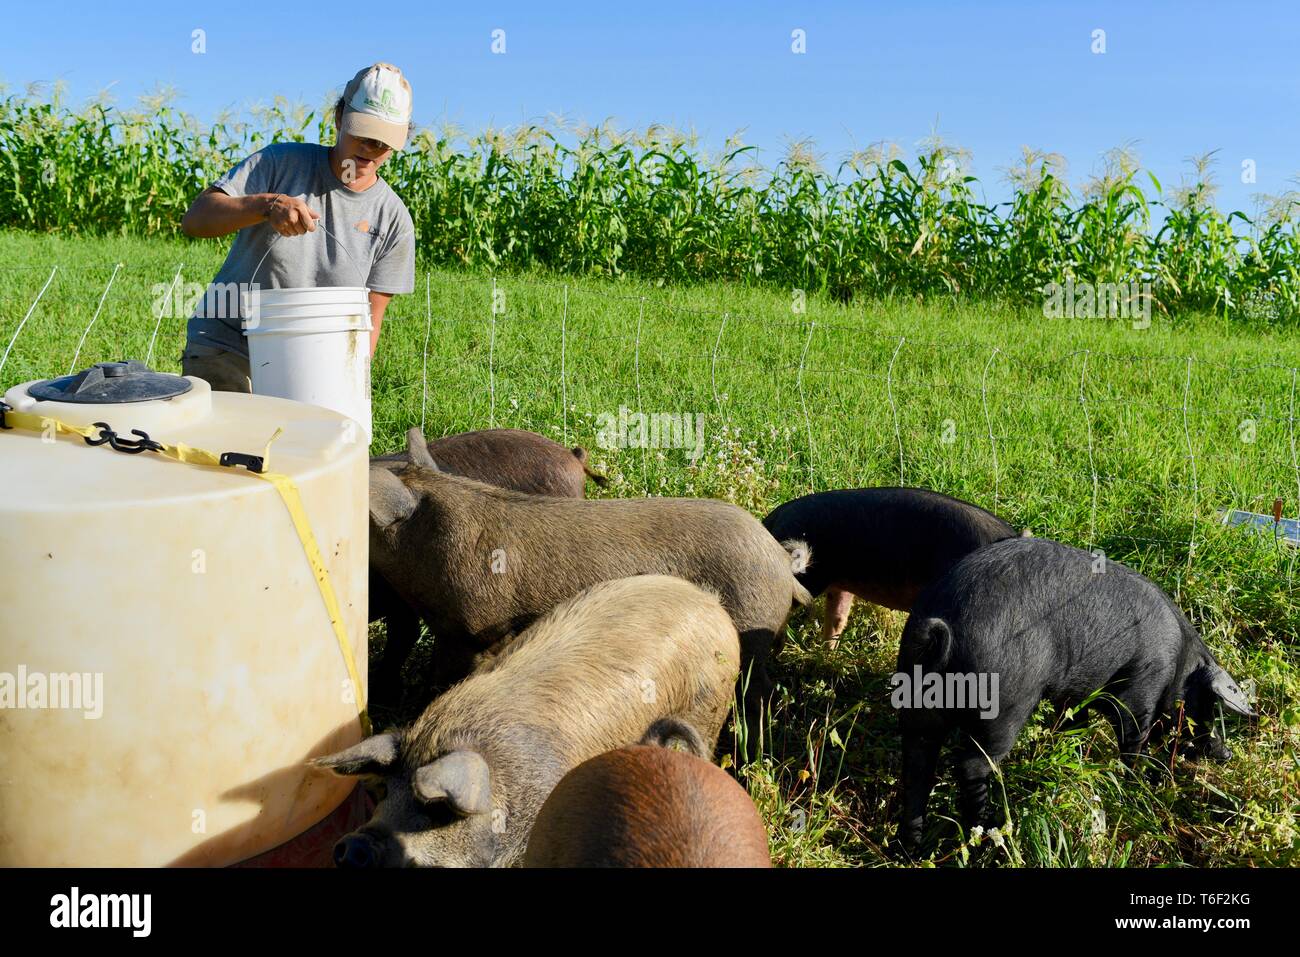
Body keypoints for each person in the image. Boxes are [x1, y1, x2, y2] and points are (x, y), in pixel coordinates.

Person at [179, 62, 416, 392]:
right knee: (229, 441)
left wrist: (349, 385)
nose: (370, 149)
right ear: (339, 118)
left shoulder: (393, 220)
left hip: (315, 365)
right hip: (229, 346)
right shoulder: (279, 163)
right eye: (362, 134)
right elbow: (197, 219)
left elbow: (369, 323)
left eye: (382, 142)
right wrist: (265, 206)